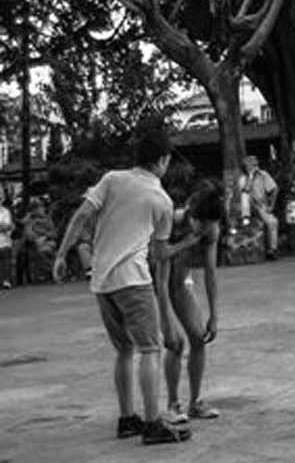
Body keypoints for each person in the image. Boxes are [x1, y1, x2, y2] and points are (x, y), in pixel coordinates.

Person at [52, 128, 182, 444]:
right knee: (150, 349)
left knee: (124, 350)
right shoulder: (162, 201)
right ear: (162, 160)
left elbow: (81, 215)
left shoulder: (112, 179)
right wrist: (191, 239)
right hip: (134, 280)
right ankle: (152, 423)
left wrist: (62, 254)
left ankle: (127, 418)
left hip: (102, 281)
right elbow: (160, 253)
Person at [162, 179, 224, 421]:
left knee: (198, 338)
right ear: (191, 213)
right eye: (200, 222)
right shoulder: (172, 221)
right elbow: (159, 265)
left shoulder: (211, 231)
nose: (203, 228)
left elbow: (210, 273)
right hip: (155, 283)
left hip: (180, 283)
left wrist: (214, 316)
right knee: (175, 343)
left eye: (209, 224)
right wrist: (184, 243)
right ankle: (172, 404)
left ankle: (195, 402)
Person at [241, 153, 280, 259]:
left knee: (273, 222)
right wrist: (251, 176)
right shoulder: (243, 178)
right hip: (246, 207)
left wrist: (271, 205)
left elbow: (274, 189)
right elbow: (245, 191)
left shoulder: (263, 175)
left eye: (254, 164)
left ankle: (272, 249)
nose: (254, 166)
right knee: (245, 198)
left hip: (260, 205)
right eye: (250, 164)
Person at [0, 190, 15, 289]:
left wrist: (4, 227)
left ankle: (6, 281)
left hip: (4, 241)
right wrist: (3, 226)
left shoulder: (5, 212)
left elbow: (7, 227)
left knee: (6, 262)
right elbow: (5, 226)